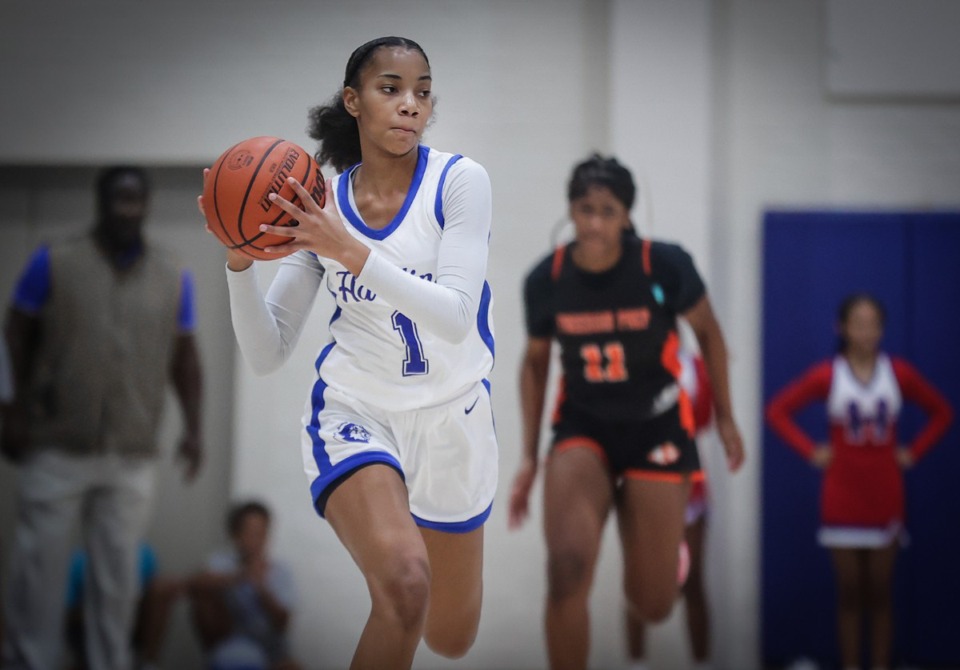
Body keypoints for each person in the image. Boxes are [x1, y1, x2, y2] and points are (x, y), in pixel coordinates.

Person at [199, 36, 497, 670]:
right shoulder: (320, 205)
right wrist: (236, 262)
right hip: (358, 410)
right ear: (353, 101)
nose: (410, 104)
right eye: (391, 89)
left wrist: (351, 251)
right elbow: (267, 351)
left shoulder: (459, 182)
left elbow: (454, 317)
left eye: (422, 91)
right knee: (406, 587)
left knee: (450, 637)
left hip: (454, 418)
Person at [507, 154, 745, 670]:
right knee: (566, 571)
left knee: (653, 605)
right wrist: (528, 456)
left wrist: (725, 418)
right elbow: (534, 365)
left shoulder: (663, 265)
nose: (593, 222)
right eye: (585, 208)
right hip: (582, 428)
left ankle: (657, 553)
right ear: (571, 209)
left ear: (627, 217)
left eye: (607, 211)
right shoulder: (546, 279)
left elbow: (709, 335)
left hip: (656, 426)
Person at [1, 165, 204, 670]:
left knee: (117, 582)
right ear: (101, 202)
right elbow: (15, 334)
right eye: (118, 199)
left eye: (135, 200)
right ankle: (31, 660)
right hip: (55, 444)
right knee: (39, 576)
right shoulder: (53, 260)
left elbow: (186, 358)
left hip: (131, 452)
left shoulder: (174, 274)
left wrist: (196, 429)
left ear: (147, 205)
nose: (126, 209)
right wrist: (11, 409)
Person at [765, 293, 953, 670]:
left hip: (885, 493)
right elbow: (777, 411)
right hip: (842, 494)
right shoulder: (827, 374)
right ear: (842, 327)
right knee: (849, 595)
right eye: (859, 322)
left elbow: (942, 412)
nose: (866, 331)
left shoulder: (898, 374)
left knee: (880, 593)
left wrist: (912, 452)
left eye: (873, 323)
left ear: (882, 329)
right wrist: (811, 450)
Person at [624, 332, 716, 670]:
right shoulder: (631, 361)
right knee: (640, 580)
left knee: (693, 582)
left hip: (688, 483)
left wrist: (711, 373)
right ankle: (637, 662)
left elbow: (705, 419)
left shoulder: (696, 366)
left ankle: (701, 662)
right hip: (643, 480)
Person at [187, 501, 299, 670]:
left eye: (262, 532)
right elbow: (195, 585)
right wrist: (242, 576)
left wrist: (262, 588)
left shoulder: (280, 571)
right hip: (231, 647)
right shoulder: (221, 562)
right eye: (252, 533)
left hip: (272, 653)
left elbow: (283, 623)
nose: (259, 540)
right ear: (236, 535)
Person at [65, 542, 183, 670]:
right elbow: (67, 613)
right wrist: (104, 607)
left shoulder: (143, 553)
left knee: (164, 587)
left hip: (133, 621)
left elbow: (151, 596)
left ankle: (148, 665)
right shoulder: (77, 561)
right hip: (90, 625)